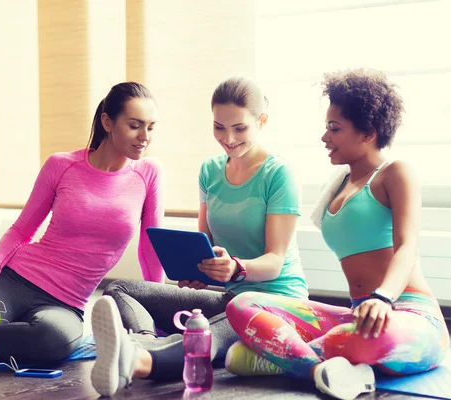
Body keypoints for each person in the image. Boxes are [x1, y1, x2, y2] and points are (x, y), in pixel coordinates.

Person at [224, 69, 449, 400]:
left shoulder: (395, 173)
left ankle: (286, 356)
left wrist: (383, 297)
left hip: (409, 318)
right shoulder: (339, 184)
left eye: (334, 128)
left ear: (368, 132)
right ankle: (319, 368)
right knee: (242, 303)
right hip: (358, 314)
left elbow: (407, 247)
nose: (324, 137)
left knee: (345, 340)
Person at [0, 82, 164, 366]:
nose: (144, 137)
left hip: (65, 306)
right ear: (107, 121)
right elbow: (22, 229)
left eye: (151, 127)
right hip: (17, 281)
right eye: (135, 125)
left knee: (56, 341)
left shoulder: (148, 174)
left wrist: (156, 308)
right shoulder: (62, 165)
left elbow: (151, 248)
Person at [90, 76, 308, 397]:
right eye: (219, 127)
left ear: (261, 121)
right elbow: (205, 243)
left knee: (209, 332)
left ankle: (137, 360)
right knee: (122, 288)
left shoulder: (278, 174)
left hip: (276, 302)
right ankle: (145, 339)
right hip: (230, 296)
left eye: (240, 128)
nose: (229, 138)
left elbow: (274, 263)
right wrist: (198, 270)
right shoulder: (210, 171)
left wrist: (235, 267)